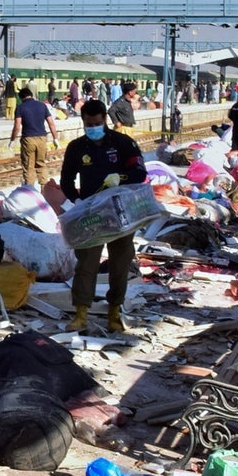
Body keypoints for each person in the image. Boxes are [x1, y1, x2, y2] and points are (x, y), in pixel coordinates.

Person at [60, 99, 147, 333]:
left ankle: (114, 313)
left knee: (120, 263)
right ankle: (81, 314)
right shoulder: (77, 147)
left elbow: (140, 172)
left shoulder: (123, 143)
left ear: (104, 120)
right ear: (83, 123)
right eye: (89, 124)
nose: (93, 128)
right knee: (86, 264)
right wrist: (76, 202)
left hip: (120, 211)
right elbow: (66, 181)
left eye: (97, 123)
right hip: (91, 214)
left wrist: (122, 178)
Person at [10, 87, 58, 189]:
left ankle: (30, 193)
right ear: (31, 95)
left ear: (21, 97)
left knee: (28, 167)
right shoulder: (42, 105)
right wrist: (55, 138)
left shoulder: (20, 107)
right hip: (42, 138)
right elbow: (51, 124)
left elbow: (17, 126)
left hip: (28, 139)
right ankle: (45, 192)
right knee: (41, 164)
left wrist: (12, 140)